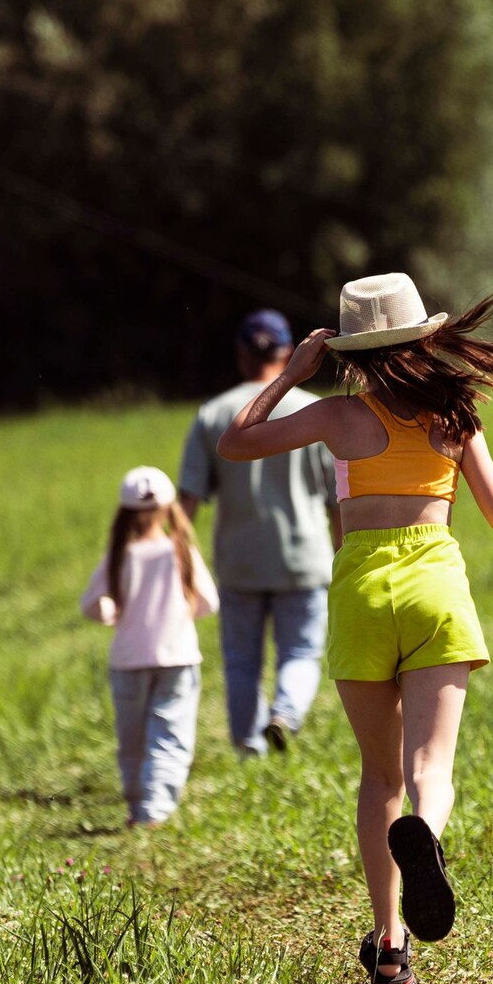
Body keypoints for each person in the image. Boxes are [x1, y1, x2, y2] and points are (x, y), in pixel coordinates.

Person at [216, 272, 493, 984]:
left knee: (380, 776)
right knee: (431, 770)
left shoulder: (340, 417)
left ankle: (391, 944)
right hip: (435, 590)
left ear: (351, 352)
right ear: (423, 338)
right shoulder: (456, 415)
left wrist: (290, 375)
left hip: (362, 592)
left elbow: (236, 443)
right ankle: (427, 834)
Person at [178, 310, 339, 757]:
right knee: (301, 652)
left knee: (241, 662)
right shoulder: (315, 410)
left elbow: (187, 500)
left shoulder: (214, 414)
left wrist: (175, 560)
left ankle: (249, 746)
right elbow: (337, 500)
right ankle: (285, 713)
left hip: (239, 560)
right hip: (305, 557)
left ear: (241, 355)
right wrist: (343, 554)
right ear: (289, 352)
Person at [80, 467, 220, 828]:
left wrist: (112, 614)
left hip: (128, 659)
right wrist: (183, 613)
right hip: (177, 656)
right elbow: (209, 602)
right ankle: (154, 810)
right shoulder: (181, 550)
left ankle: (138, 804)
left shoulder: (119, 555)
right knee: (170, 732)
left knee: (133, 738)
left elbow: (90, 604)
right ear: (170, 509)